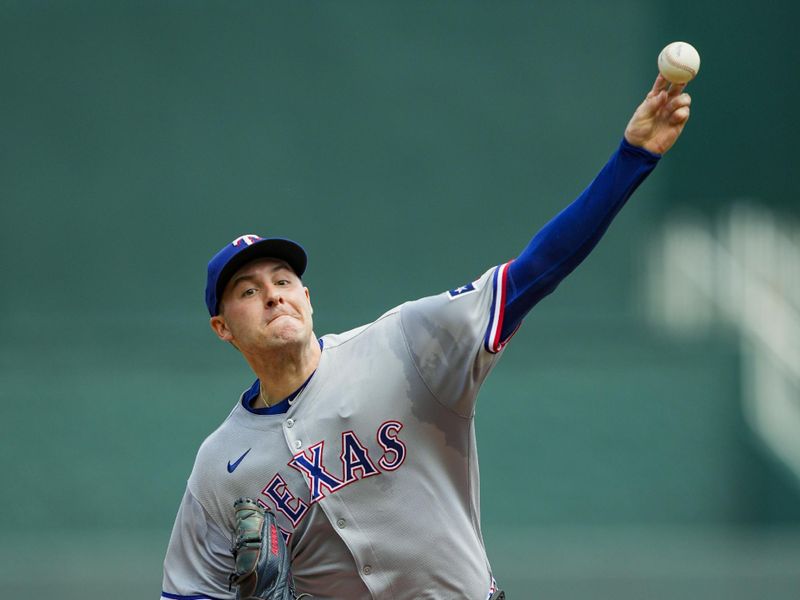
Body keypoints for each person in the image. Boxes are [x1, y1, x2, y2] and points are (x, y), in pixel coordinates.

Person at [161, 74, 692, 600]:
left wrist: (633, 158)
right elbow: (188, 593)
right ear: (222, 327)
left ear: (308, 297)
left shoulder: (402, 346)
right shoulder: (220, 464)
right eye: (248, 291)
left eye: (283, 280)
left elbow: (534, 271)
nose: (274, 295)